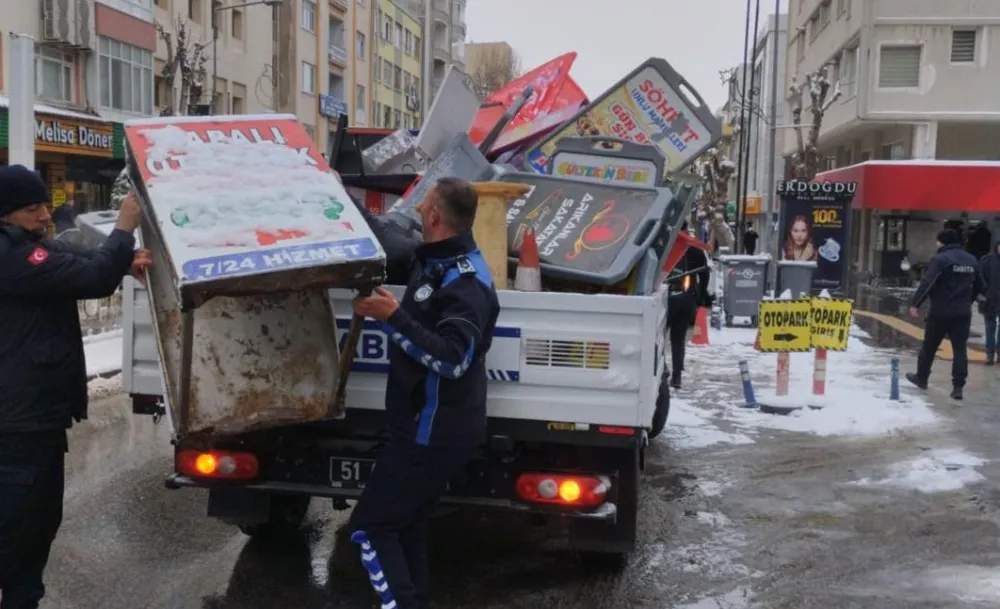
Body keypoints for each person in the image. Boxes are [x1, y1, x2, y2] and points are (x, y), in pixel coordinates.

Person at [0, 164, 151, 609]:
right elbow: (90, 277)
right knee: (15, 531)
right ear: (5, 215)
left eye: (46, 204)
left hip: (35, 419)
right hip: (17, 425)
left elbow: (77, 262)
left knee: (37, 526)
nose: (45, 215)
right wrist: (124, 230)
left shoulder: (26, 250)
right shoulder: (11, 256)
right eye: (33, 209)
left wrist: (123, 259)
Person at [348, 177, 500, 609]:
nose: (417, 211)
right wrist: (335, 189)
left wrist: (393, 317)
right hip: (415, 427)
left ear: (435, 214)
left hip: (434, 434)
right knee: (406, 526)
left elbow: (454, 360)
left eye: (424, 204)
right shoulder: (431, 259)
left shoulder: (467, 282)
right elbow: (385, 239)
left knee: (372, 528)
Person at [905, 229, 984, 400]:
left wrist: (915, 303)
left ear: (943, 243)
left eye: (938, 241)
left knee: (930, 346)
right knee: (960, 350)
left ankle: (922, 377)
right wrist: (967, 301)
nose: (936, 244)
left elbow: (928, 282)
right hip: (963, 312)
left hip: (940, 311)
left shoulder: (940, 259)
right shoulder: (971, 260)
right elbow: (980, 285)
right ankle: (958, 387)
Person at [665, 222, 711, 390]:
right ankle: (677, 375)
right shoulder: (694, 248)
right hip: (686, 299)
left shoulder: (665, 245)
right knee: (678, 338)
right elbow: (705, 273)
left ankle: (662, 370)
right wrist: (700, 295)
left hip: (665, 298)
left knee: (658, 337)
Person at [978, 233, 1000, 365]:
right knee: (990, 327)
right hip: (990, 300)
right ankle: (989, 354)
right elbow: (980, 278)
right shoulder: (987, 260)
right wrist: (984, 293)